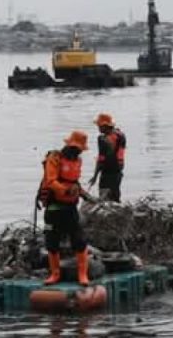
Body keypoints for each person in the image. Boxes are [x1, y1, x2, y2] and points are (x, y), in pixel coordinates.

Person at [38, 131, 92, 286]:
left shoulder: (77, 161)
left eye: (80, 149)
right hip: (54, 207)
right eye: (76, 148)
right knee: (52, 241)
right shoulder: (54, 158)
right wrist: (66, 191)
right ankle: (55, 274)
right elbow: (50, 181)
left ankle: (82, 274)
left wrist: (83, 194)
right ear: (69, 146)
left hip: (70, 207)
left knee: (79, 240)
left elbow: (75, 182)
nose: (78, 152)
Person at [88, 113, 126, 202]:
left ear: (105, 126)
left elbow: (101, 159)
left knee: (104, 197)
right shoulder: (121, 135)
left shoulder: (102, 139)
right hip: (118, 170)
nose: (98, 128)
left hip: (107, 171)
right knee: (115, 197)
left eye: (99, 126)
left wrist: (95, 176)